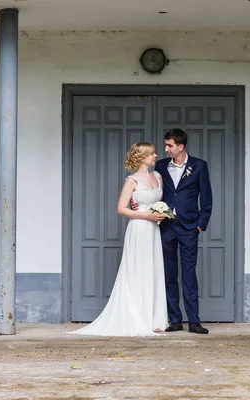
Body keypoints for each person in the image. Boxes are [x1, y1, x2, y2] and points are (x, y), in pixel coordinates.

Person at [70, 142, 168, 336]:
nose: (156, 156)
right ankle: (138, 317)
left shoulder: (158, 176)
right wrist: (147, 215)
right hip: (140, 228)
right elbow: (122, 208)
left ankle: (154, 318)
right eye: (151, 153)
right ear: (141, 157)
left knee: (153, 270)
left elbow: (159, 200)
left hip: (155, 230)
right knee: (138, 270)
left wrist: (161, 213)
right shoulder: (132, 180)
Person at [134, 129, 213, 334]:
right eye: (166, 145)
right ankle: (175, 320)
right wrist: (137, 204)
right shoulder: (160, 167)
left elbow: (206, 198)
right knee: (169, 274)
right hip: (166, 226)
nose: (165, 149)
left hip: (189, 227)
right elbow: (150, 188)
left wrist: (200, 224)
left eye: (169, 145)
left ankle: (194, 321)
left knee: (189, 274)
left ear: (180, 146)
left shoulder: (199, 166)